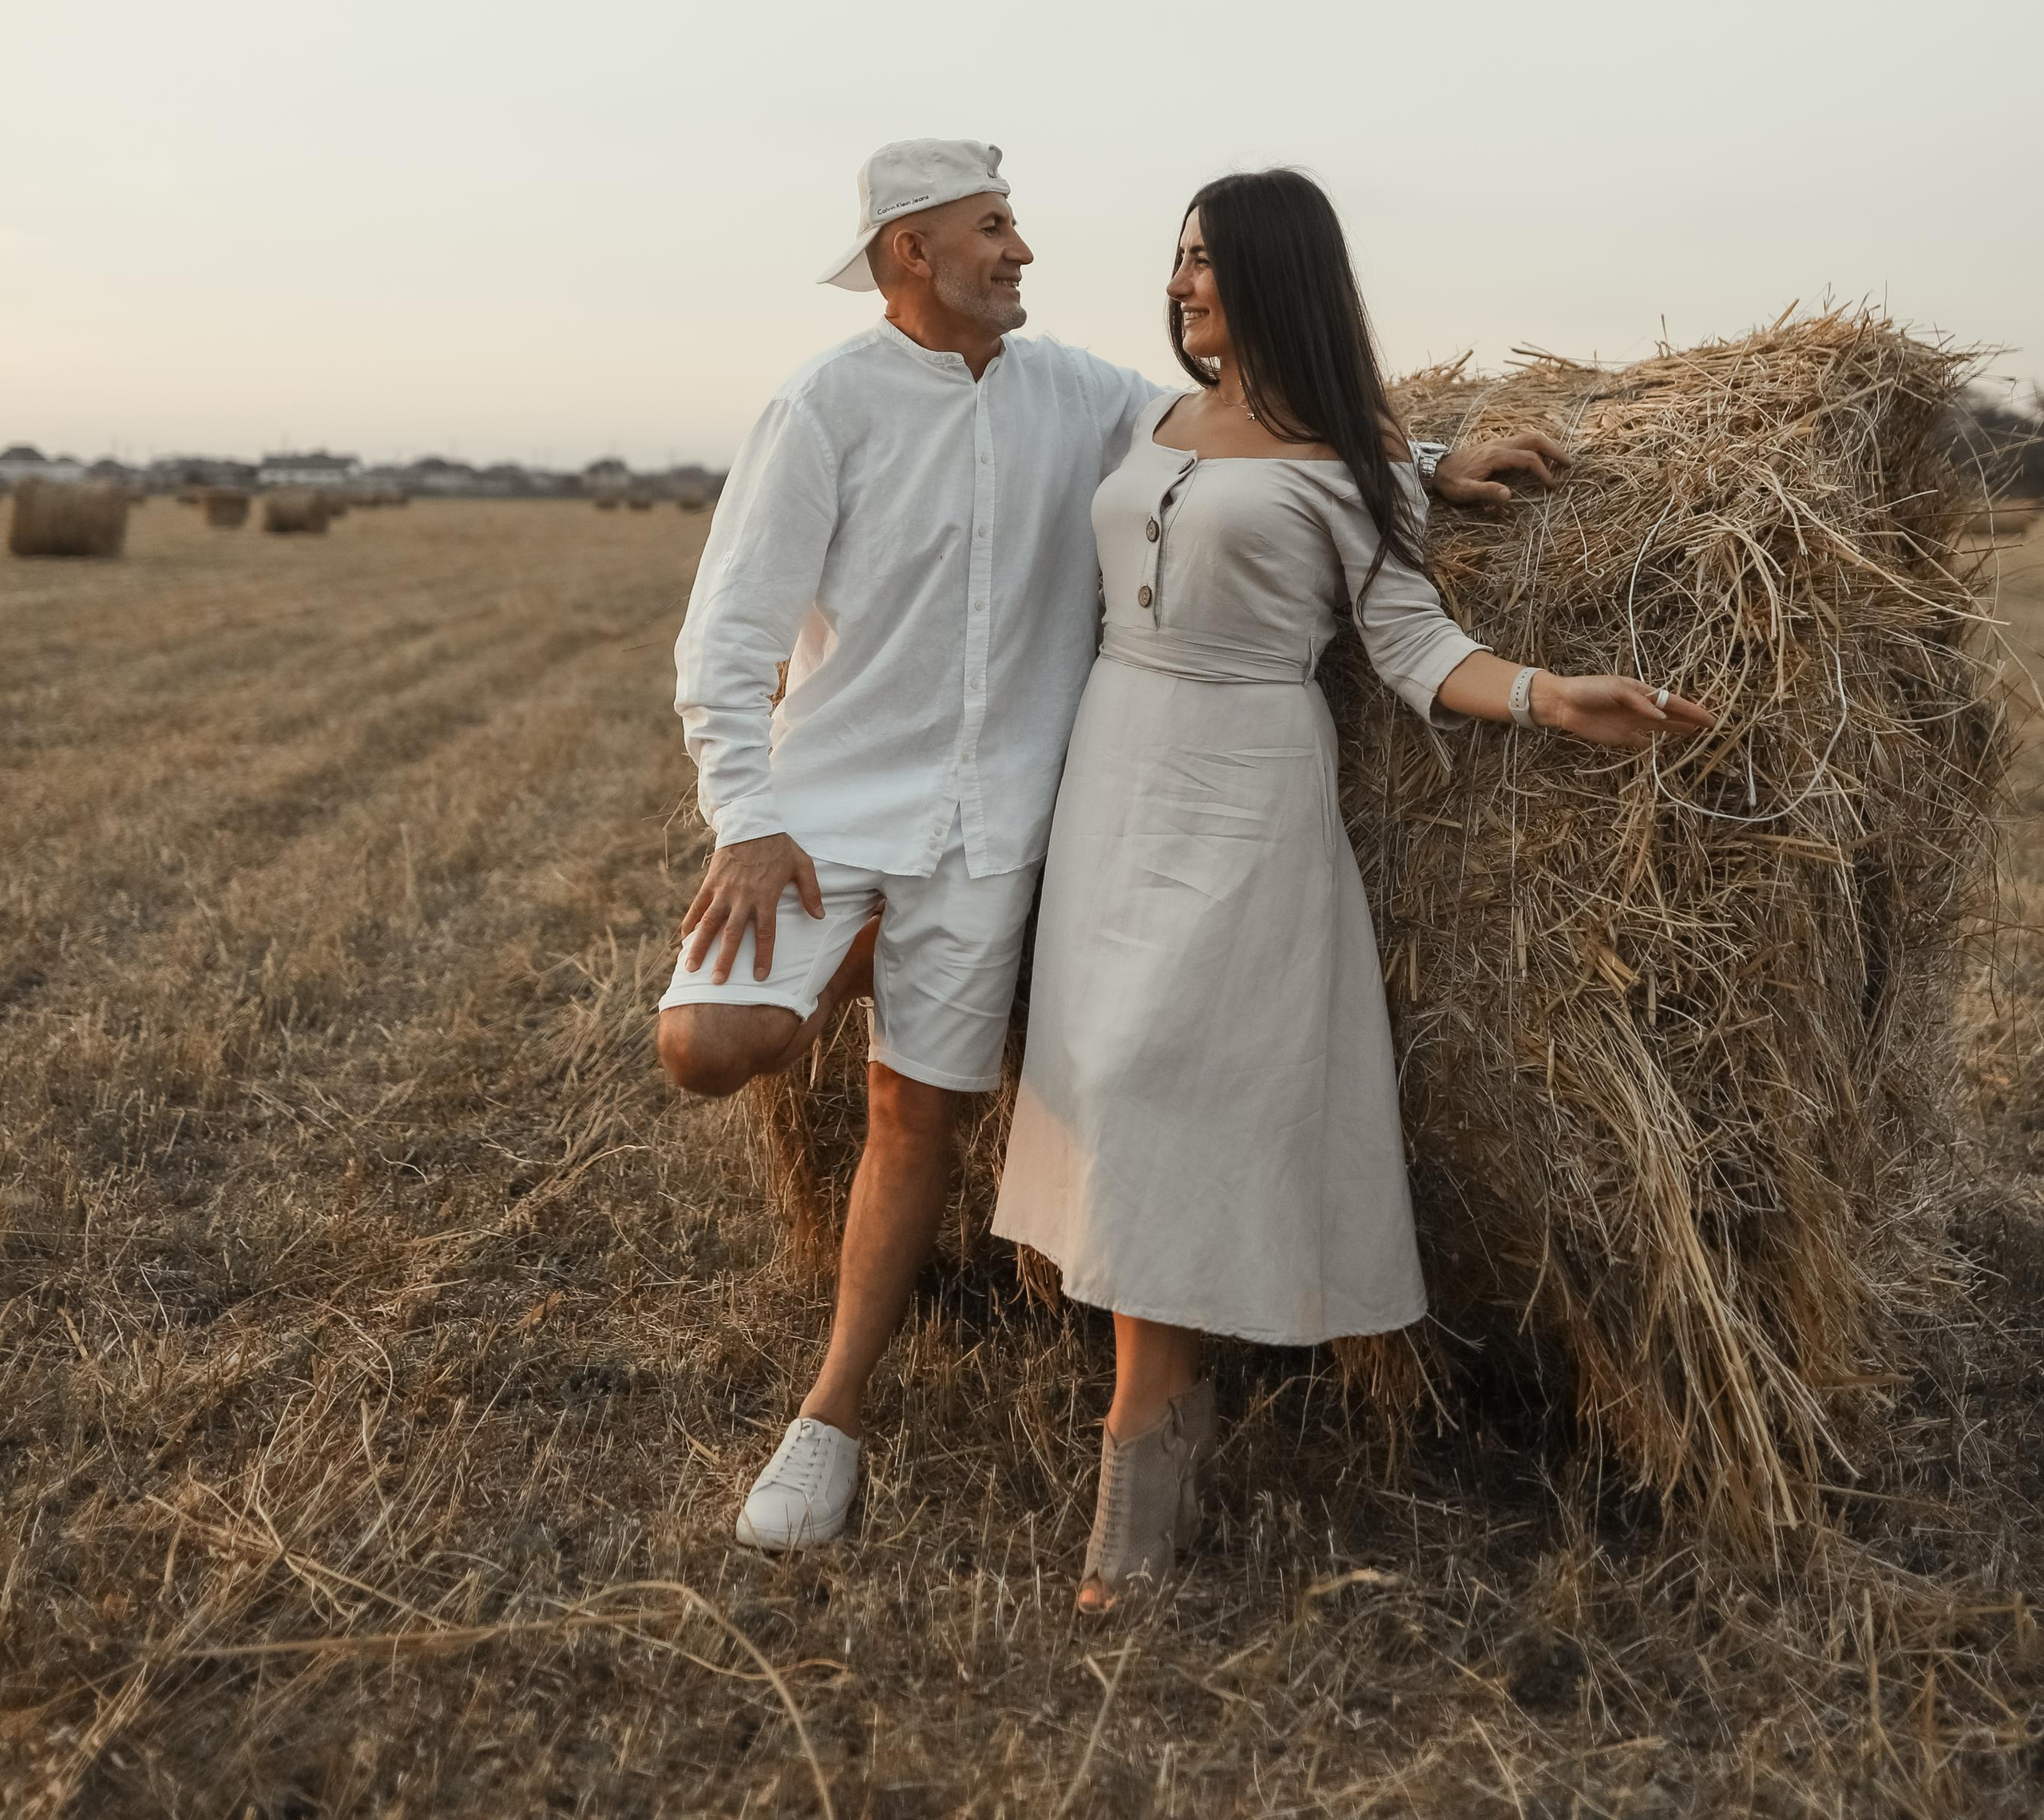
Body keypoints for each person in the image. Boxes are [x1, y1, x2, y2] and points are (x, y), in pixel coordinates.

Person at [656, 140, 1561, 1554]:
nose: (1024, 250)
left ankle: (828, 1421)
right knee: (711, 1046)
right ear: (911, 251)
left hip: (1003, 830)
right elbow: (726, 636)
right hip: (833, 813)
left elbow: (1264, 438)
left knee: (914, 1112)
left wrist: (1431, 467)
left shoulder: (1083, 395)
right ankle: (856, 957)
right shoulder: (823, 406)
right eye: (994, 228)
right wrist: (749, 822)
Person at [991, 168, 1713, 1612]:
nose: (1181, 283)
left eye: (1208, 260)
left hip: (1245, 785)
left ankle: (1143, 1432)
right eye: (1179, 258)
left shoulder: (1353, 464)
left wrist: (1551, 696)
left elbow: (1411, 643)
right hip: (1110, 771)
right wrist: (1431, 447)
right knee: (1104, 1075)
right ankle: (1167, 1396)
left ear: (1278, 273)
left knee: (1154, 1074)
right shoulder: (1144, 420)